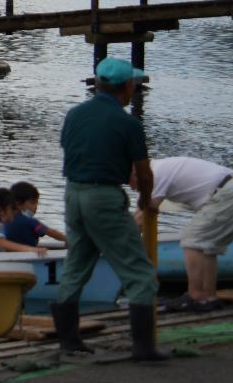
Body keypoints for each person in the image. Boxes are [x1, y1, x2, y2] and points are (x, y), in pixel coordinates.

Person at [51, 58, 166, 362]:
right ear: (127, 87)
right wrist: (145, 200)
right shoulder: (128, 123)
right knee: (138, 271)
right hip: (104, 197)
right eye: (134, 85)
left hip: (73, 193)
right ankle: (143, 347)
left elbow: (75, 151)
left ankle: (68, 341)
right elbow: (143, 173)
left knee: (76, 264)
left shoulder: (74, 115)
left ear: (97, 84)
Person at [149, 156, 233, 312]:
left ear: (135, 173)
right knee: (208, 246)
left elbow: (148, 210)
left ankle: (195, 297)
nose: (133, 188)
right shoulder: (161, 167)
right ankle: (208, 298)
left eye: (130, 182)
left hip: (232, 192)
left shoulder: (156, 173)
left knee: (192, 239)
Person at [5, 181, 67, 247]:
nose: (36, 206)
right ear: (19, 204)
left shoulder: (4, 219)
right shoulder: (30, 221)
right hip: (28, 254)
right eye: (33, 203)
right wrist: (68, 239)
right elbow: (50, 232)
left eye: (37, 203)